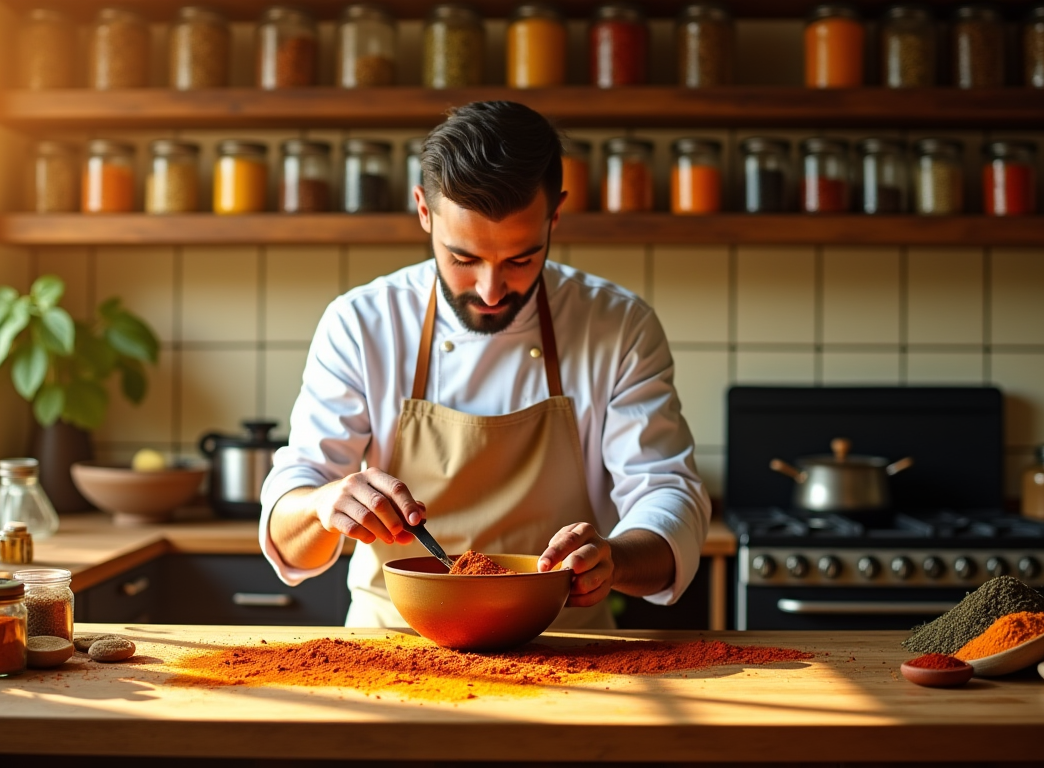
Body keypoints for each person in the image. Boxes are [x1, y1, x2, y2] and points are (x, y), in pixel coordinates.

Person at [260, 101, 710, 628]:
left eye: (520, 258)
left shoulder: (618, 326)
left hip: (567, 650)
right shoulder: (362, 323)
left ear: (555, 216)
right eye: (463, 259)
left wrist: (614, 560)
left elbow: (667, 495)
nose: (491, 291)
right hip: (392, 652)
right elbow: (294, 542)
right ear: (424, 212)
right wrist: (322, 506)